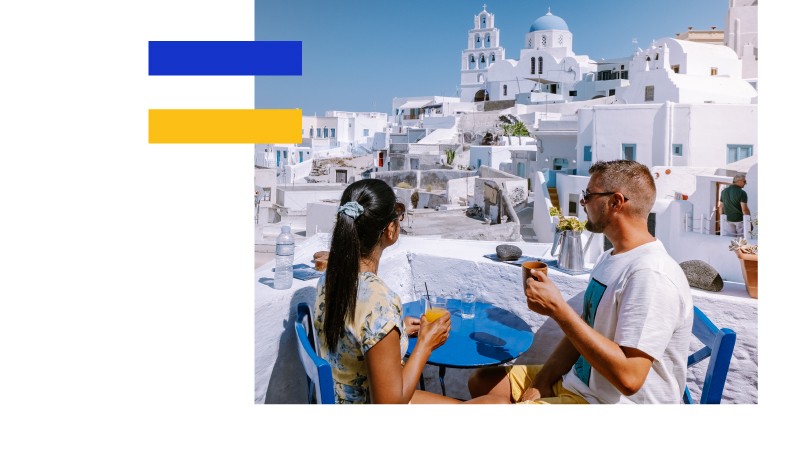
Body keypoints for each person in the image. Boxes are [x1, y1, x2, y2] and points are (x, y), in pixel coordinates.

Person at [468, 160, 694, 404]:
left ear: (615, 202)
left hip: (608, 405)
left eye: (588, 195)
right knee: (481, 381)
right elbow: (583, 331)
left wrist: (558, 310)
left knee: (488, 406)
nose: (583, 202)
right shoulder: (610, 257)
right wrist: (541, 383)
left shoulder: (651, 275)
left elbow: (630, 379)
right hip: (579, 384)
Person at [313, 179, 455, 404]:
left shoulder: (330, 277)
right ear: (390, 229)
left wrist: (394, 333)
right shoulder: (380, 304)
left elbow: (355, 333)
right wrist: (425, 344)